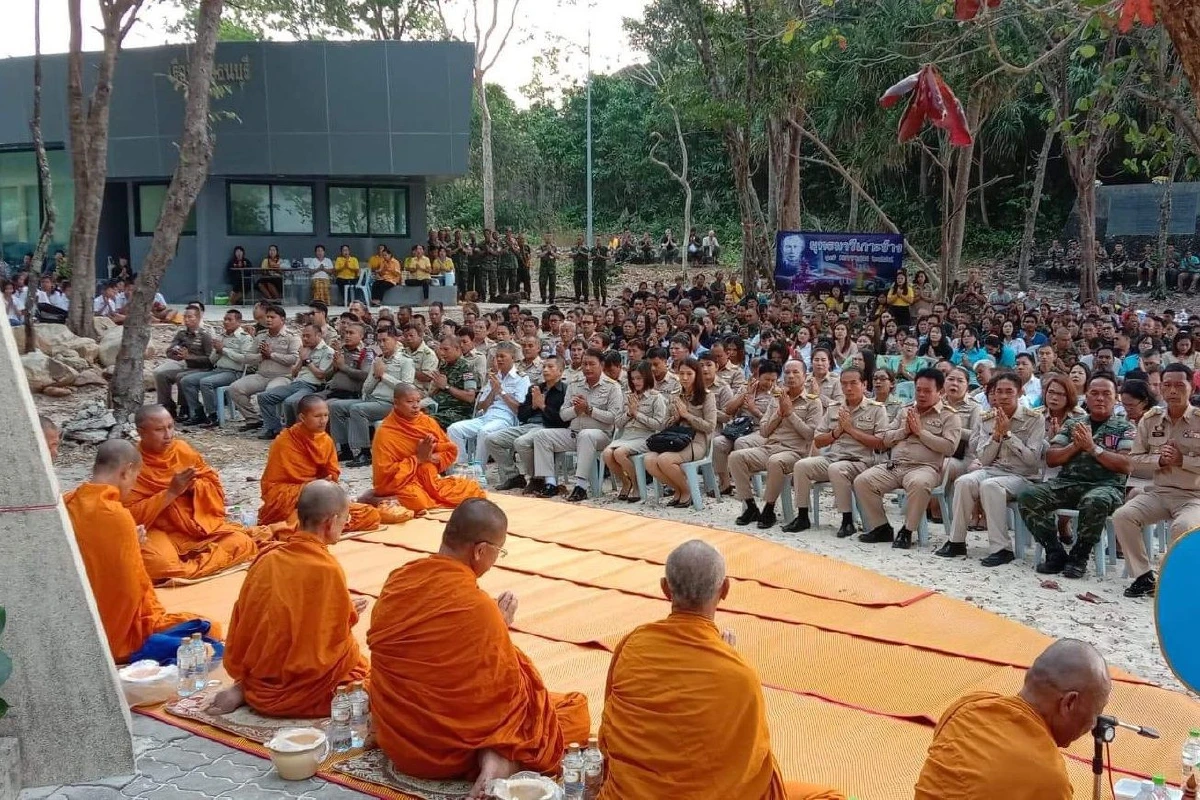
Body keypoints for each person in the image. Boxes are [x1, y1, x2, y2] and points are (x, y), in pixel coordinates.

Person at [367, 499, 590, 798]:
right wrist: (499, 626)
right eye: (499, 551)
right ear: (480, 550)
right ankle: (499, 757)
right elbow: (502, 690)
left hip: (401, 741)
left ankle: (492, 756)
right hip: (455, 750)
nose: (496, 558)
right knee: (570, 709)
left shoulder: (399, 581)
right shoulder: (478, 607)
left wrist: (494, 627)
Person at [598, 540, 846, 800]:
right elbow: (752, 766)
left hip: (632, 794)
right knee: (829, 796)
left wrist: (722, 658)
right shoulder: (739, 676)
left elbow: (608, 738)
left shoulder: (633, 645)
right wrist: (726, 660)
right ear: (725, 589)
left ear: (664, 589)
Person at [207, 480, 368, 718]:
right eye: (345, 520)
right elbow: (327, 640)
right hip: (303, 680)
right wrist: (348, 612)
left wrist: (341, 607)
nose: (346, 525)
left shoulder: (266, 558)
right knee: (364, 675)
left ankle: (246, 687)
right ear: (330, 522)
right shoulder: (326, 568)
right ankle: (279, 692)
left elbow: (247, 617)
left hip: (259, 671)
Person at [64, 439, 218, 663]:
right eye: (135, 478)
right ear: (126, 472)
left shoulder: (69, 501)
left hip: (83, 619)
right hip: (119, 632)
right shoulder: (115, 514)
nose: (165, 435)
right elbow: (129, 588)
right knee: (210, 629)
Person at [914, 639, 1111, 800]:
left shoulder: (967, 707)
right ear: (1069, 703)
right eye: (1094, 714)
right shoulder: (1049, 778)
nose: (1093, 725)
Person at [125, 405, 260, 582]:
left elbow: (212, 483)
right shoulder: (132, 464)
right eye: (159, 430)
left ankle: (185, 571)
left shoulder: (182, 450)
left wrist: (193, 486)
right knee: (159, 565)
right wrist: (171, 493)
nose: (168, 435)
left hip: (193, 525)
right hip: (158, 530)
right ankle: (188, 568)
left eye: (171, 427)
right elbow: (129, 517)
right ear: (141, 432)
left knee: (242, 543)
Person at [1017, 374, 1133, 579]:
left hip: (1106, 486)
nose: (1100, 398)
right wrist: (1075, 446)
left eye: (1106, 394)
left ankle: (1079, 556)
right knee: (1028, 495)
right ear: (1085, 397)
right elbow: (1052, 458)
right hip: (1068, 483)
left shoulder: (1126, 428)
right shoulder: (1073, 425)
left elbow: (1125, 465)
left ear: (1116, 399)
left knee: (1095, 501)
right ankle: (1055, 551)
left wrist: (1092, 448)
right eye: (1094, 393)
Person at [935, 372, 1046, 566]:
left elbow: (1032, 461)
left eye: (1008, 391)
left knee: (989, 486)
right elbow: (984, 459)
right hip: (992, 470)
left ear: (1019, 392)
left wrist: (1008, 435)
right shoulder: (986, 418)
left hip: (1022, 476)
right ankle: (956, 541)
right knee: (964, 481)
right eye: (998, 392)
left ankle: (1001, 548)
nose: (1002, 396)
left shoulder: (1034, 419)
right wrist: (996, 436)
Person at [258, 395, 412, 533]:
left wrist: (326, 484)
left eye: (326, 415)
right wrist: (312, 487)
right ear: (302, 417)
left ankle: (325, 526)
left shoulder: (325, 440)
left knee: (369, 515)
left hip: (319, 498)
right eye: (317, 416)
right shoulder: (284, 442)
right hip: (293, 502)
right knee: (294, 525)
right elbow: (273, 488)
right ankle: (321, 526)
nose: (323, 420)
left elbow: (332, 475)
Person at [1114, 362, 1200, 598]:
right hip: (1159, 492)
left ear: (1191, 387)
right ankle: (1143, 577)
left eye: (1179, 385)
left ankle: (1175, 581)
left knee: (1183, 527)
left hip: (1194, 496)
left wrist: (1183, 460)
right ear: (1160, 388)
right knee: (1123, 516)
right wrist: (1160, 461)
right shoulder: (1150, 420)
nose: (1173, 390)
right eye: (1167, 385)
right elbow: (1134, 460)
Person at [854, 367, 961, 549]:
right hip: (895, 466)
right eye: (918, 390)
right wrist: (904, 431)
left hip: (924, 468)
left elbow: (950, 448)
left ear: (940, 392)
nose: (921, 395)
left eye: (927, 391)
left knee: (919, 484)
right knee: (863, 481)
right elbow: (885, 438)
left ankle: (907, 530)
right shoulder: (905, 411)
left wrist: (921, 432)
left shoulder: (949, 416)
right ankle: (882, 527)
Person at [786, 367, 888, 536]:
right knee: (801, 465)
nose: (848, 388)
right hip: (833, 458)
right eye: (844, 384)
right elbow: (818, 441)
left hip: (861, 462)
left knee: (836, 469)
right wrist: (837, 432)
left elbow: (881, 444)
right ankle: (802, 516)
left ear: (864, 385)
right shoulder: (835, 408)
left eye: (853, 383)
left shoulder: (876, 409)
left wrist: (850, 430)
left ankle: (847, 520)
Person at [731, 360, 824, 530]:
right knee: (736, 457)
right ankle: (751, 506)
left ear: (805, 376)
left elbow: (811, 435)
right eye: (787, 373)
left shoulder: (813, 402)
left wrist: (790, 414)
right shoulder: (776, 399)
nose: (790, 376)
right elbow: (764, 431)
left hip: (795, 452)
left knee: (775, 461)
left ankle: (769, 508)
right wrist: (779, 414)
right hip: (769, 447)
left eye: (796, 372)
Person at [365, 384, 487, 512]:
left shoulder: (427, 422)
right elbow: (385, 473)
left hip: (429, 478)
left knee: (472, 490)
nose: (416, 406)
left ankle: (395, 498)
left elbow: (449, 450)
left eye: (418, 401)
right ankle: (375, 499)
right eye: (409, 402)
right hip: (403, 483)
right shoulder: (386, 432)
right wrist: (417, 459)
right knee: (417, 501)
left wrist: (431, 457)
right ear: (396, 403)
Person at [524, 348, 624, 501]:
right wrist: (576, 410)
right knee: (541, 435)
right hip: (574, 432)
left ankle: (581, 486)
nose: (588, 368)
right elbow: (563, 415)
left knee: (586, 435)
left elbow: (614, 418)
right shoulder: (575, 384)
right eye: (585, 364)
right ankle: (550, 483)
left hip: (601, 435)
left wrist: (589, 410)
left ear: (602, 365)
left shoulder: (612, 386)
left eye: (592, 364)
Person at [331, 327, 415, 467]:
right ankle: (345, 449)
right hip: (372, 400)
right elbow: (367, 388)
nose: (381, 344)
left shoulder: (406, 361)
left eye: (385, 340)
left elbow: (406, 389)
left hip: (391, 403)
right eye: (379, 341)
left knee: (358, 409)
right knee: (336, 407)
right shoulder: (378, 360)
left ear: (395, 340)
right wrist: (376, 376)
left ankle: (364, 453)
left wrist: (384, 376)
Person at [488, 355, 570, 491]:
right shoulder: (535, 388)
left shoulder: (565, 391)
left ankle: (537, 478)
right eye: (544, 367)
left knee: (521, 442)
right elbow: (521, 415)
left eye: (550, 367)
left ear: (561, 371)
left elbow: (562, 421)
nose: (545, 370)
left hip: (548, 428)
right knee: (492, 439)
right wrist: (533, 406)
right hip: (528, 426)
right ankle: (514, 476)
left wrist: (543, 406)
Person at [644, 357, 718, 508]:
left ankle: (687, 492)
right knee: (649, 460)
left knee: (665, 460)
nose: (684, 378)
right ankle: (679, 489)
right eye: (681, 373)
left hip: (697, 441)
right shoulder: (675, 394)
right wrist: (675, 419)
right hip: (675, 438)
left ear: (696, 374)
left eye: (689, 374)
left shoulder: (706, 395)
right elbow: (663, 425)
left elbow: (710, 426)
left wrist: (687, 416)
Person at [447, 341, 530, 466]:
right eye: (497, 357)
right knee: (454, 429)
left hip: (506, 419)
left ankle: (479, 471)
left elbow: (519, 409)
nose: (499, 360)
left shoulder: (522, 378)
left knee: (484, 432)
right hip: (486, 417)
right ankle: (461, 466)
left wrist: (501, 391)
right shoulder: (494, 378)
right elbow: (481, 406)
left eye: (502, 356)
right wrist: (493, 391)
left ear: (512, 358)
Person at [254, 323, 335, 441]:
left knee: (290, 402)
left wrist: (306, 360)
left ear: (318, 335)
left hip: (313, 386)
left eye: (308, 336)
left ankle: (292, 432)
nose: (305, 339)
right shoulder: (304, 350)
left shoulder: (327, 351)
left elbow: (321, 375)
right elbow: (294, 373)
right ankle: (273, 429)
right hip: (297, 383)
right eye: (303, 336)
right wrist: (301, 360)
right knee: (264, 397)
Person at [603, 360, 669, 501]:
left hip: (645, 437)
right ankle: (626, 483)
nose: (635, 382)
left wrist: (637, 414)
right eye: (633, 378)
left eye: (639, 378)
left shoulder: (656, 397)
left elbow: (659, 425)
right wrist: (628, 414)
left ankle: (637, 485)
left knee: (620, 453)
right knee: (607, 453)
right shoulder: (627, 395)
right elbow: (618, 423)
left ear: (647, 377)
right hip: (626, 436)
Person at [229, 304, 301, 433]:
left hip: (283, 376)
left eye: (272, 317)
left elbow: (295, 358)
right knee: (235, 388)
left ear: (282, 320)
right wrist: (261, 356)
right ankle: (253, 419)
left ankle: (273, 426)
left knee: (269, 393)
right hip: (262, 375)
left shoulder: (292, 337)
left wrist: (272, 355)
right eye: (267, 317)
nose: (268, 320)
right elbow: (248, 356)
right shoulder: (261, 336)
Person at [180, 309, 254, 428]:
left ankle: (213, 415)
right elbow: (212, 360)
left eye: (229, 320)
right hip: (218, 370)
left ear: (239, 321)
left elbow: (246, 358)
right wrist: (217, 351)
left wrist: (224, 350)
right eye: (225, 319)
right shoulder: (222, 336)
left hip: (234, 372)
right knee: (187, 381)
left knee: (206, 382)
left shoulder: (244, 338)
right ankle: (198, 412)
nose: (226, 322)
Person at [152, 304, 213, 420]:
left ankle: (184, 407)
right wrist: (176, 353)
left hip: (200, 368)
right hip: (185, 365)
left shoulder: (205, 335)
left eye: (190, 317)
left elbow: (210, 360)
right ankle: (167, 406)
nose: (187, 320)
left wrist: (189, 357)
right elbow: (169, 351)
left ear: (198, 318)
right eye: (185, 317)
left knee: (181, 377)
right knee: (161, 375)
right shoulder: (182, 334)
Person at [428, 334, 480, 429]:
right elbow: (436, 391)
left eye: (446, 349)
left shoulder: (466, 368)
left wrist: (446, 386)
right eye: (441, 349)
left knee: (427, 421)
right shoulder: (443, 366)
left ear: (457, 349)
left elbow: (470, 397)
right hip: (437, 407)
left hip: (457, 412)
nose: (442, 353)